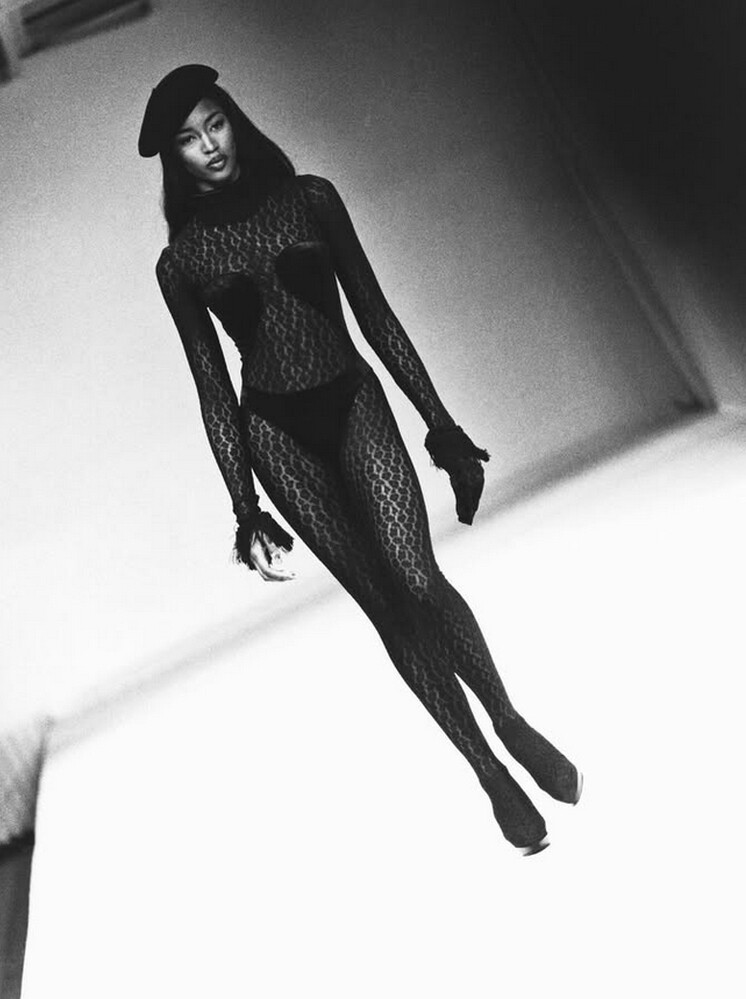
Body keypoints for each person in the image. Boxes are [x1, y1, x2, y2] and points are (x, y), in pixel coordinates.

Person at [139, 64, 581, 856]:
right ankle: (487, 771)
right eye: (189, 139)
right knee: (386, 604)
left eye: (216, 124)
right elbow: (213, 391)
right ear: (172, 158)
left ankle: (509, 720)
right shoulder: (183, 263)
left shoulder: (310, 199)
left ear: (235, 120)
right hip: (274, 432)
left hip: (351, 399)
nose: (209, 145)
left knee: (416, 577)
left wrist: (441, 426)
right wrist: (244, 507)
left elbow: (374, 313)